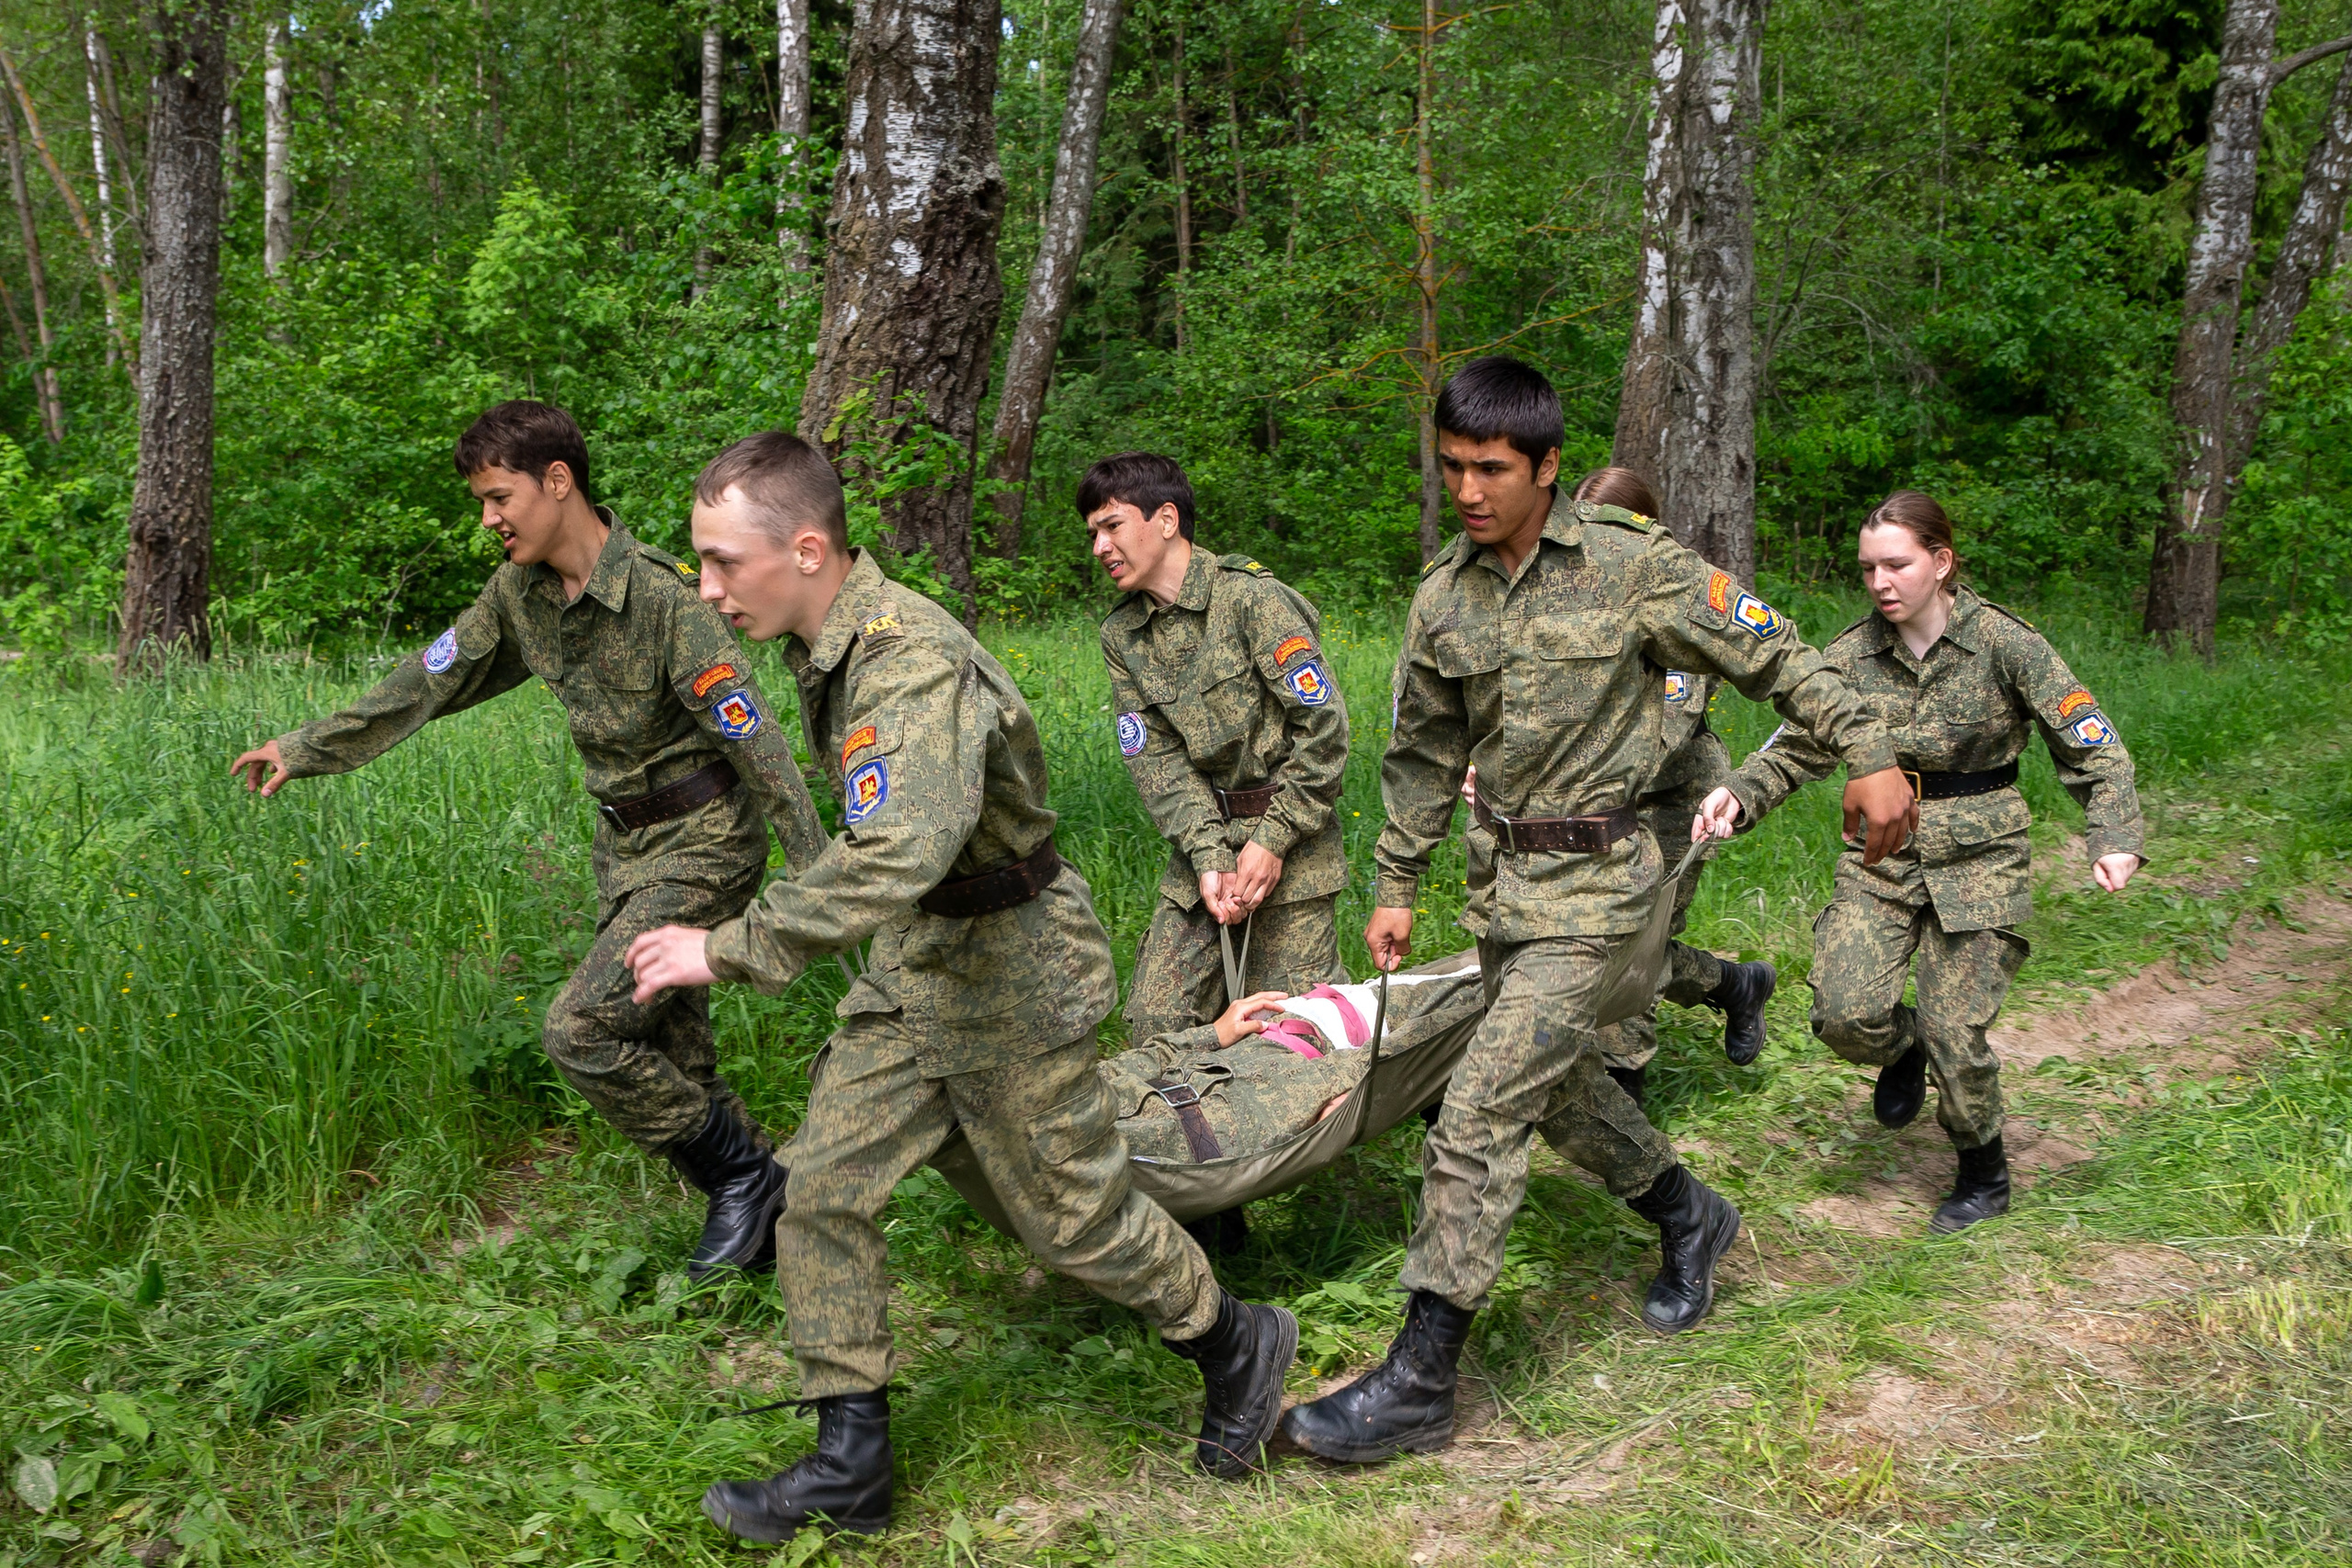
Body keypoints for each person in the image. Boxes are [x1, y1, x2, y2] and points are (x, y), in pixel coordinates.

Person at [621, 433, 1297, 1540]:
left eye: (722, 561)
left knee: (1073, 1221)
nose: (705, 587)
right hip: (920, 966)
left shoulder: (909, 663)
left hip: (1011, 970)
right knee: (822, 1188)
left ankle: (1234, 1341)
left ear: (804, 551)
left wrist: (730, 946)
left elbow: (901, 849)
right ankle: (850, 1463)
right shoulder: (830, 651)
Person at [1279, 356, 1916, 1465]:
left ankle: (1420, 1378)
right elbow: (1422, 754)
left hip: (1603, 890)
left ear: (1546, 467)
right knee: (1562, 1091)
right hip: (1504, 890)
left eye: (1490, 469)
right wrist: (1396, 882)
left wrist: (1868, 753)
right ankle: (1686, 1214)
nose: (1467, 490)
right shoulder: (1442, 597)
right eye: (1451, 467)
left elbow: (1774, 652)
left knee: (1478, 1108)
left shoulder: (1635, 568)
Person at [228, 400, 825, 1280]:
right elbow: (432, 677)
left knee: (583, 1028)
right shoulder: (519, 595)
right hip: (624, 848)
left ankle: (746, 1178)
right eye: (481, 501)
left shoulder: (665, 599)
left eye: (497, 497)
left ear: (557, 481)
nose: (487, 519)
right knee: (671, 1050)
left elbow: (757, 744)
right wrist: (306, 746)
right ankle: (768, 1226)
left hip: (704, 842)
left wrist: (822, 886)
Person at [1696, 491, 2143, 1233]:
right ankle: (1902, 1049)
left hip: (1982, 856)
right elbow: (1796, 747)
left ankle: (1982, 1171)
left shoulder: (2006, 644)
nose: (1880, 582)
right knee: (1843, 1015)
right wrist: (1738, 795)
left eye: (1897, 564)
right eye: (1867, 567)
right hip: (1883, 855)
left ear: (1941, 562)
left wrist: (2113, 834)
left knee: (1955, 1031)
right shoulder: (1849, 655)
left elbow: (2092, 742)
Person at [1087, 450, 1351, 1253]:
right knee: (1158, 1017)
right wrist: (1209, 855)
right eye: (1092, 532)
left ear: (1165, 519)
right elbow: (1157, 762)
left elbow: (1324, 730)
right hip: (1201, 850)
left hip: (1293, 844)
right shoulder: (1122, 635)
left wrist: (1272, 838)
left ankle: (1325, 1203)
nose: (1099, 546)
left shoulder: (1253, 600)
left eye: (1111, 525)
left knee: (1294, 1035)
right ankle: (1208, 1200)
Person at [1464, 465, 1777, 1110]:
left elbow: (1665, 733)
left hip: (1672, 799)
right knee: (1595, 940)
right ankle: (1733, 984)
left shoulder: (1674, 601)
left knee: (1633, 941)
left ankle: (1623, 1087)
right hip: (1585, 806)